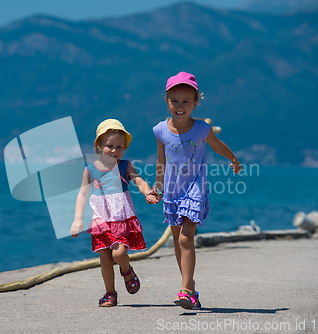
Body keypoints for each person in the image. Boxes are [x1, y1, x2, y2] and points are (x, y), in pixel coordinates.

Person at [148, 71, 242, 310]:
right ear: (166, 101)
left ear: (195, 103)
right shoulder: (160, 130)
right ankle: (189, 287)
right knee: (179, 243)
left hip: (194, 190)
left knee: (185, 238)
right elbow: (162, 162)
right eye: (174, 101)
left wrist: (233, 158)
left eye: (186, 101)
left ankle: (186, 289)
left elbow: (217, 145)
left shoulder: (201, 129)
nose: (180, 106)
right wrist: (158, 187)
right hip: (171, 191)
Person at [70, 119, 157, 307]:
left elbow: (139, 181)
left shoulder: (125, 166)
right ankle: (110, 293)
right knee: (105, 259)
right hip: (100, 220)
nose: (114, 151)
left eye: (119, 147)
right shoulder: (90, 170)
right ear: (99, 146)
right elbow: (82, 194)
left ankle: (127, 271)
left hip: (120, 217)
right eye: (109, 146)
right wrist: (78, 218)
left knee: (118, 254)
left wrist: (148, 192)